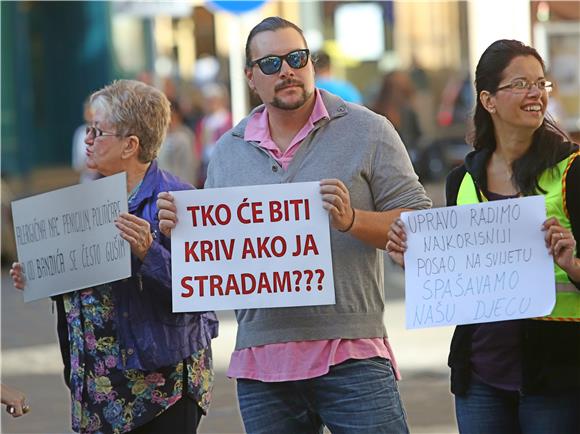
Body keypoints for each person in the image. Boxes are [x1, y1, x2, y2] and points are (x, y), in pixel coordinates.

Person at [157, 16, 431, 434]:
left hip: (351, 353)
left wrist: (352, 220)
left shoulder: (368, 129)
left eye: (297, 58)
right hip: (261, 361)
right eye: (270, 64)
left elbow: (419, 225)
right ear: (251, 77)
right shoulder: (229, 151)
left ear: (311, 64)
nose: (286, 70)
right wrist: (181, 231)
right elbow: (213, 251)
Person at [386, 39, 580, 434]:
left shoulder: (571, 171)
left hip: (557, 375)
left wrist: (571, 263)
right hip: (481, 376)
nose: (535, 94)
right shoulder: (463, 180)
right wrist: (418, 262)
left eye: (540, 84)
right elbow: (460, 276)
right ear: (488, 101)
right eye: (521, 84)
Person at [10, 79, 218, 434]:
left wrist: (148, 252)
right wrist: (43, 276)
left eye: (97, 131)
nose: (87, 139)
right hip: (97, 389)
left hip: (160, 390)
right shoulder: (85, 198)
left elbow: (201, 291)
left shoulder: (176, 198)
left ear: (130, 145)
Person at [194, 82, 232, 187]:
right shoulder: (203, 122)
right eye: (208, 101)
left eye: (213, 100)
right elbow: (199, 144)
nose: (210, 104)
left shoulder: (229, 119)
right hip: (207, 165)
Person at [157, 99, 199, 186]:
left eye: (170, 115)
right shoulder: (160, 136)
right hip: (162, 187)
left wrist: (186, 188)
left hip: (179, 187)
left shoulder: (184, 136)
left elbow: (189, 166)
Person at [71, 99, 99, 183]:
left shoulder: (108, 132)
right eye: (87, 109)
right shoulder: (80, 132)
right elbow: (77, 164)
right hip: (88, 180)